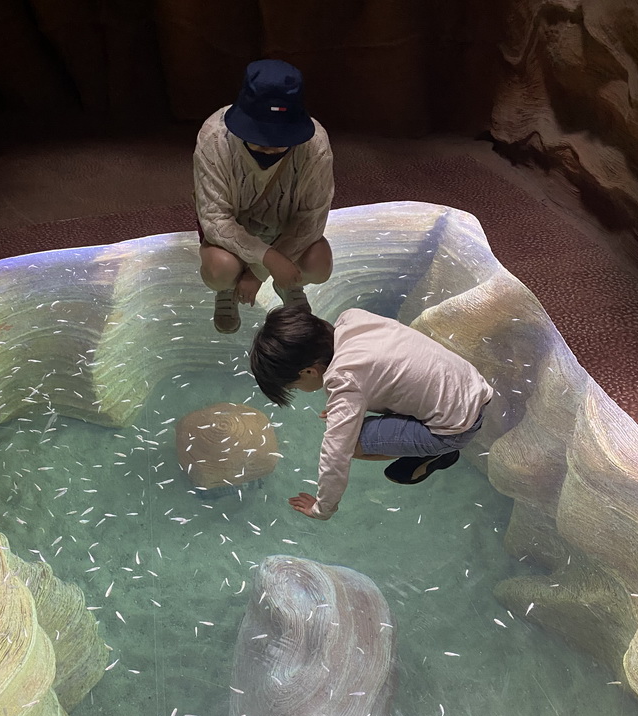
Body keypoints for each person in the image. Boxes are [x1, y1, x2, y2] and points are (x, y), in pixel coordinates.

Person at [250, 306, 494, 520]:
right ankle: (431, 444)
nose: (299, 390)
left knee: (351, 443)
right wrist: (343, 408)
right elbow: (383, 373)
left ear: (309, 372)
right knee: (350, 421)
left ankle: (437, 452)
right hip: (474, 387)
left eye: (294, 386)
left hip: (454, 430)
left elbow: (336, 455)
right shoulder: (352, 320)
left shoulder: (344, 380)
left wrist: (322, 509)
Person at [193, 59, 334, 334]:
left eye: (279, 139)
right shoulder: (213, 138)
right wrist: (267, 259)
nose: (268, 148)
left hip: (285, 230)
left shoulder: (315, 146)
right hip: (233, 236)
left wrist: (259, 273)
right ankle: (229, 287)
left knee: (320, 264)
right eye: (259, 138)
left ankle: (288, 282)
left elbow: (312, 219)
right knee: (220, 270)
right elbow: (214, 218)